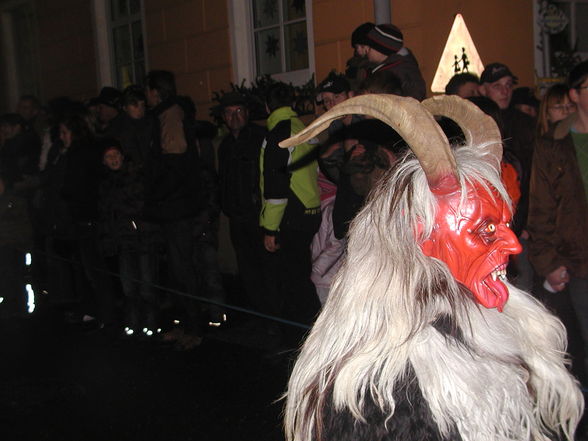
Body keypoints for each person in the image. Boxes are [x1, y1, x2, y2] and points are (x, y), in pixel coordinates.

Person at [282, 93, 583, 441]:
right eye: (485, 230)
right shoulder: (385, 397)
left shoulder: (484, 325)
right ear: (424, 238)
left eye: (504, 226)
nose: (512, 245)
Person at [528, 60, 588, 376]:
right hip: (578, 261)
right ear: (576, 94)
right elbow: (541, 207)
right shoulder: (554, 142)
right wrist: (548, 262)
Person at [143, 70, 206, 350]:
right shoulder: (166, 115)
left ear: (156, 91)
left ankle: (194, 327)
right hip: (173, 205)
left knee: (183, 268)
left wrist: (156, 194)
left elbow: (176, 163)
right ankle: (185, 324)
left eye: (148, 90)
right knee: (177, 269)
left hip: (177, 205)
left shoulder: (170, 115)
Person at [259, 82, 321, 346]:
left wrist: (269, 228)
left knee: (292, 282)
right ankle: (308, 334)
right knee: (300, 275)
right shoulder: (302, 128)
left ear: (266, 106)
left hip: (291, 217)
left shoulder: (278, 134)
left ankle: (300, 340)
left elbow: (276, 185)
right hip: (309, 211)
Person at [479, 62, 536, 291]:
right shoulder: (476, 123)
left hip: (518, 224)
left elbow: (532, 178)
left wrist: (526, 222)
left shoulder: (524, 125)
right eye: (497, 86)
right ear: (483, 89)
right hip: (488, 227)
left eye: (508, 85)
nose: (504, 91)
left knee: (520, 287)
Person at [98, 139, 161, 338]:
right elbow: (105, 215)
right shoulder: (105, 185)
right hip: (123, 241)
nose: (113, 159)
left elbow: (141, 205)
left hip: (142, 238)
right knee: (128, 286)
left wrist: (129, 218)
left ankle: (151, 322)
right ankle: (132, 322)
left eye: (116, 155)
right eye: (109, 157)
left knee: (147, 285)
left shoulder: (135, 177)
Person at [217, 92, 267, 312]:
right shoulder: (225, 145)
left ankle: (273, 316)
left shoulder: (260, 138)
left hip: (259, 216)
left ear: (247, 113)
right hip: (237, 217)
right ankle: (258, 312)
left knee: (266, 266)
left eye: (238, 111)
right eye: (228, 113)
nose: (234, 117)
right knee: (246, 268)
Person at [363, 23, 426, 100]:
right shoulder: (387, 68)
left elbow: (416, 97)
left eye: (370, 47)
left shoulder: (402, 71)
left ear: (382, 49)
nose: (366, 50)